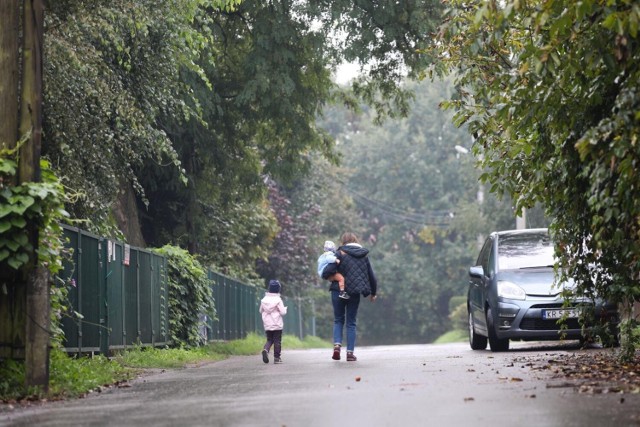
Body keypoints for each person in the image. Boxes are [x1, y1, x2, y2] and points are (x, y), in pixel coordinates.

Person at [330, 232, 377, 362]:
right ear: (356, 241)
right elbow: (371, 276)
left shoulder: (338, 254)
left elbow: (328, 270)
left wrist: (332, 276)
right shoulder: (363, 256)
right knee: (351, 322)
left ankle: (337, 346)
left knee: (338, 319)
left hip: (337, 291)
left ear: (343, 242)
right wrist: (373, 293)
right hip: (354, 292)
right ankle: (350, 353)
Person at [259, 279, 287, 364]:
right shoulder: (278, 300)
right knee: (277, 341)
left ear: (269, 288)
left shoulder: (264, 300)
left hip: (267, 324)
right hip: (277, 324)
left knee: (269, 339)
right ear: (278, 289)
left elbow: (260, 310)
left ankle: (265, 349)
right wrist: (285, 309)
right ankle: (277, 358)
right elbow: (283, 312)